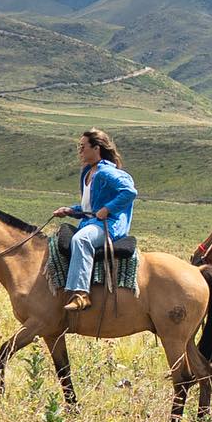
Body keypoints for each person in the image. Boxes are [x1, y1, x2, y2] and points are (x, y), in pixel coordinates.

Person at [53, 129, 138, 313]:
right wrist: (70, 210)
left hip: (110, 225)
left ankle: (82, 294)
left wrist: (108, 209)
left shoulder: (106, 171)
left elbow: (129, 192)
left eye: (83, 147)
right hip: (92, 223)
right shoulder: (87, 172)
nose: (80, 151)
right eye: (79, 147)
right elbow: (90, 207)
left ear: (96, 148)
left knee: (81, 240)